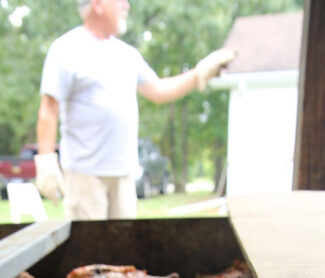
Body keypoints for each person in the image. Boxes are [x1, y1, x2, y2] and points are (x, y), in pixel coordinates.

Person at [35, 0, 234, 220]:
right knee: (90, 251)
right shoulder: (67, 49)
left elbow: (159, 91)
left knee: (124, 249)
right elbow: (48, 109)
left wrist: (200, 73)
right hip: (85, 177)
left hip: (124, 175)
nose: (126, 6)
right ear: (98, 4)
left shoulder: (126, 54)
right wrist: (46, 160)